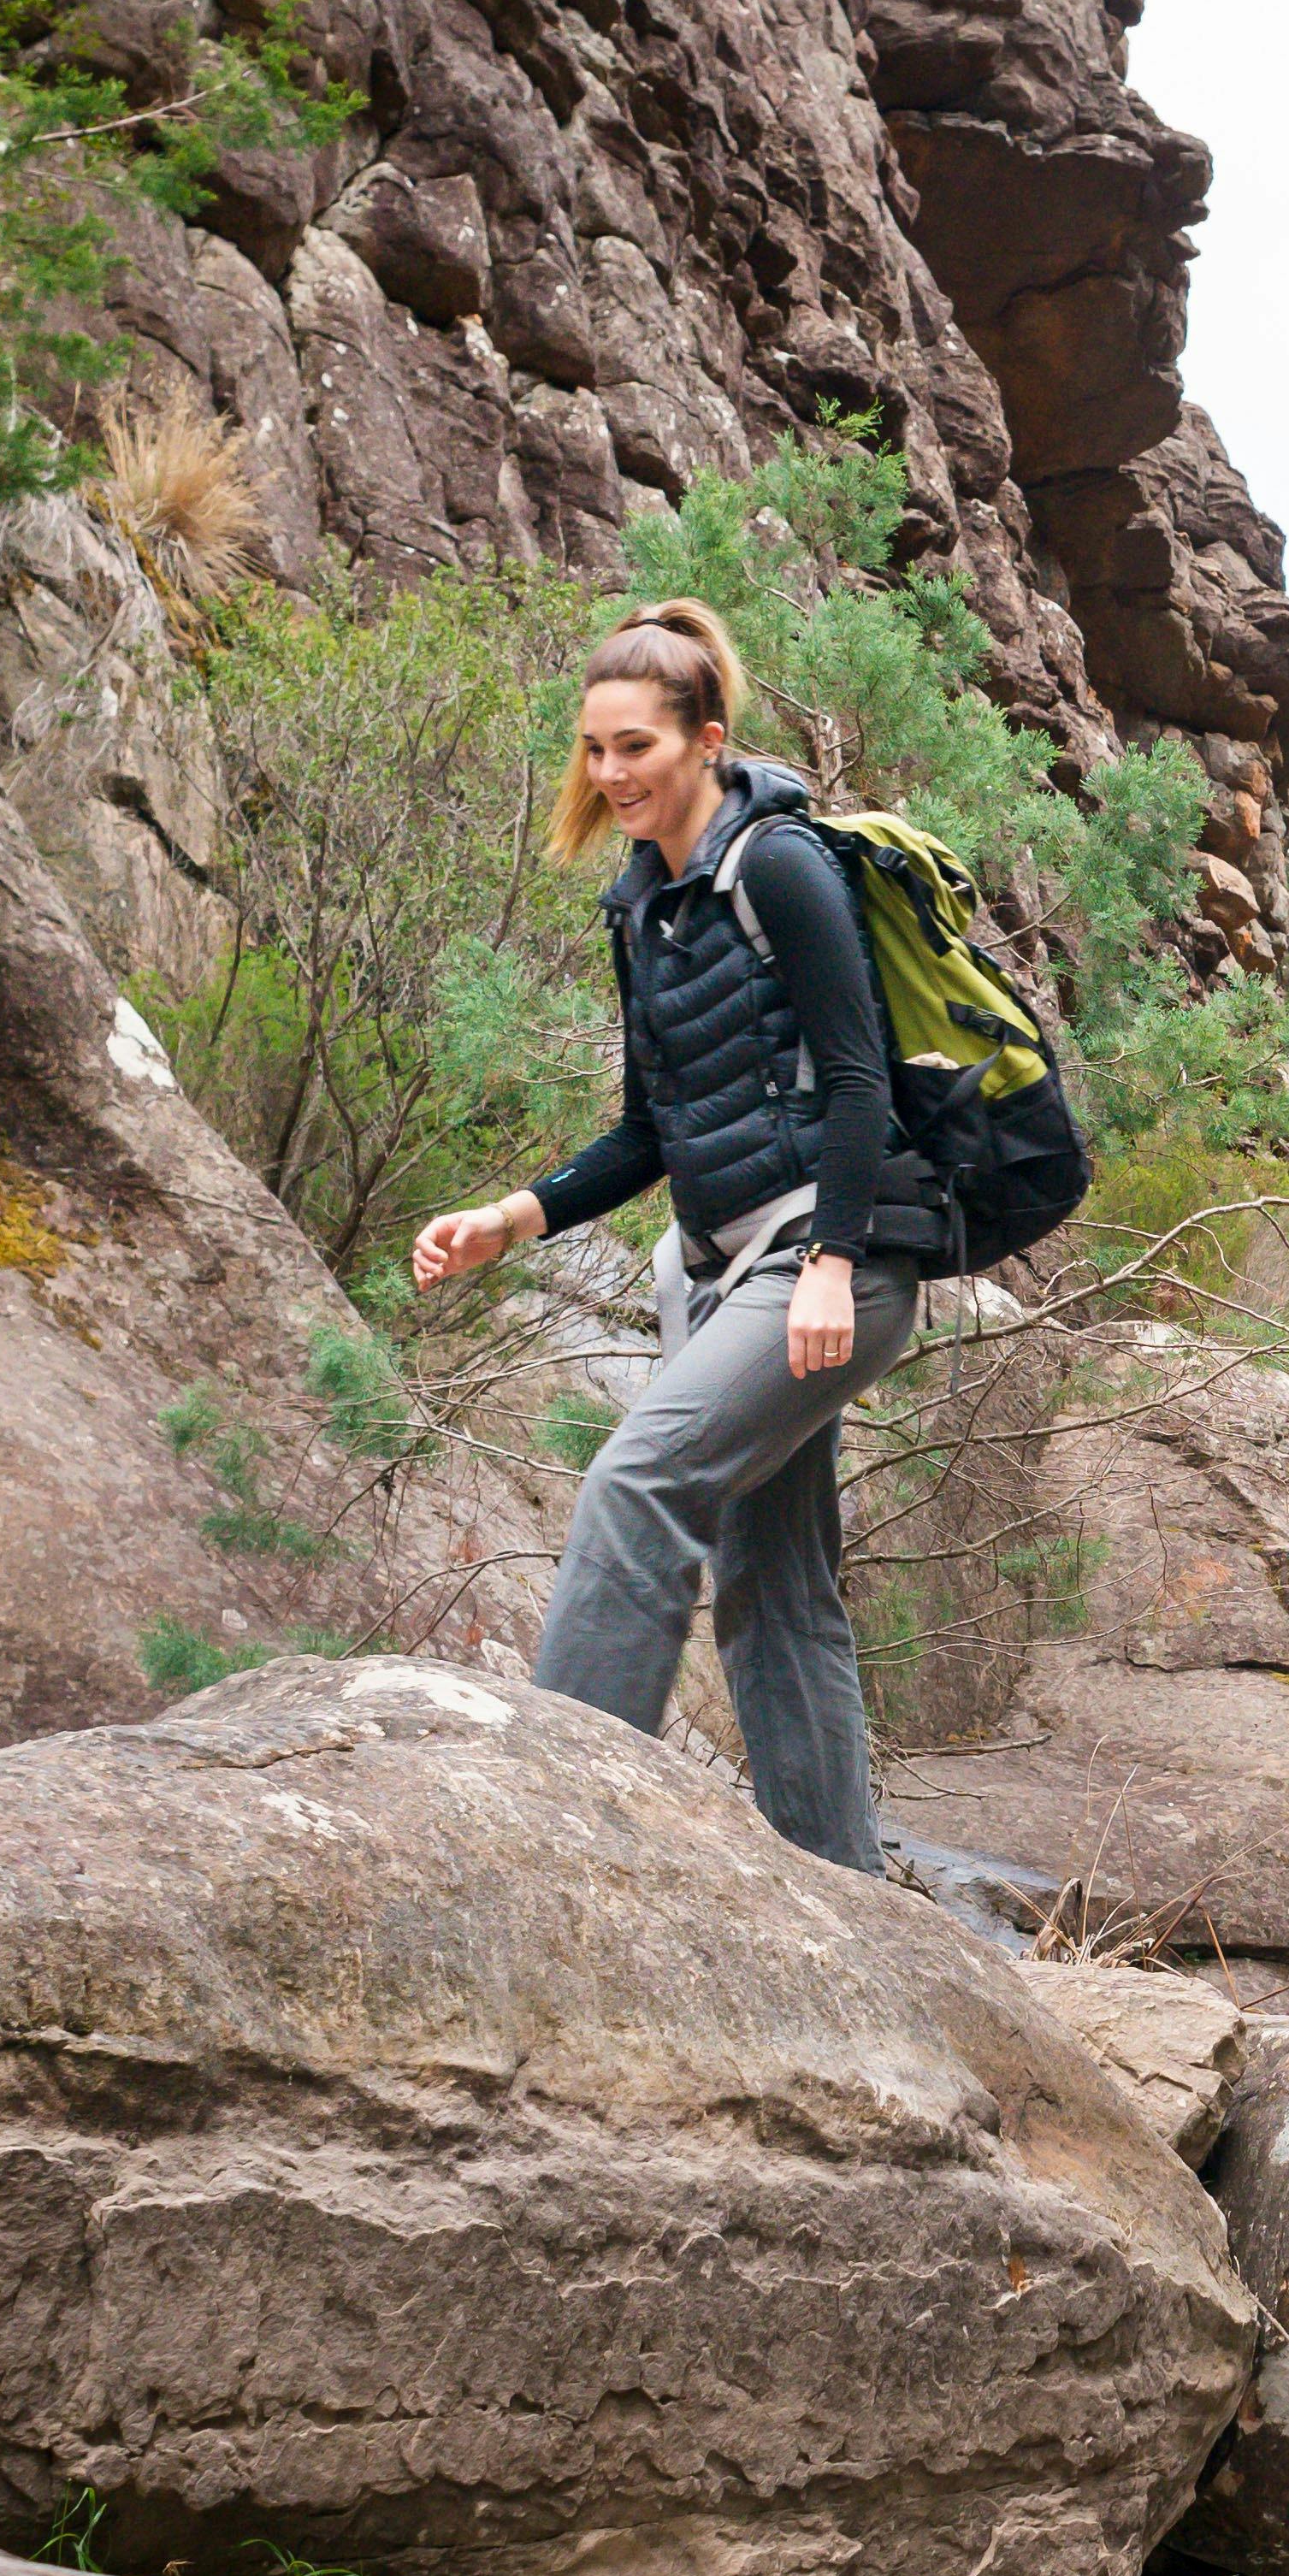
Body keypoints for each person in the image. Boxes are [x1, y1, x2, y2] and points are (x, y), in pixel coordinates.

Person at [410, 598, 938, 1870]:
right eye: (595, 748)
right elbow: (647, 1132)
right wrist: (509, 1220)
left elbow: (859, 1079)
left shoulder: (781, 865)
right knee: (776, 1585)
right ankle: (842, 1890)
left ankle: (554, 1828)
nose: (610, 773)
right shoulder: (640, 904)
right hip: (714, 1269)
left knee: (637, 1482)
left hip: (827, 1262)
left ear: (706, 740)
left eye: (635, 746)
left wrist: (831, 1263)